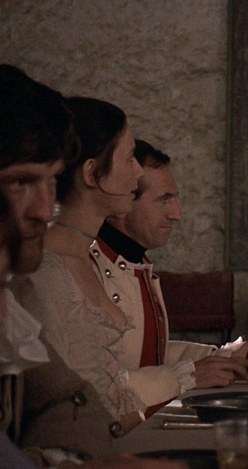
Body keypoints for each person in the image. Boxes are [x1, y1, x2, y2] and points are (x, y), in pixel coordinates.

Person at [0, 64, 183, 468]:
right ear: (90, 174)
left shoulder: (68, 265)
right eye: (20, 182)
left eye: (51, 180)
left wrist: (63, 458)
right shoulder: (44, 274)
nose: (44, 209)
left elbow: (66, 398)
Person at [92, 139, 248, 414]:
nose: (177, 214)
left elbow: (143, 354)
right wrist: (182, 378)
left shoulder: (132, 260)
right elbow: (89, 388)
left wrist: (221, 356)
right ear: (123, 201)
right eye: (164, 200)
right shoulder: (84, 265)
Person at [11, 95, 151, 430]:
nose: (139, 171)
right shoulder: (46, 272)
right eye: (129, 157)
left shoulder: (89, 256)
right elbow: (67, 405)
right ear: (91, 172)